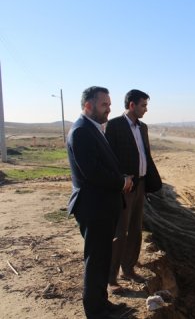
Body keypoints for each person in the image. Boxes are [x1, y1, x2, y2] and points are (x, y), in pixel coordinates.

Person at [67, 86, 133, 319]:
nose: (109, 108)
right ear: (88, 106)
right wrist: (121, 182)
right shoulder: (81, 132)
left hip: (103, 206)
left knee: (103, 258)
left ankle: (103, 304)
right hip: (93, 207)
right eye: (104, 104)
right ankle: (95, 312)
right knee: (95, 261)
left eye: (109, 103)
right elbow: (93, 173)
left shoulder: (94, 129)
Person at [105, 89, 160, 293]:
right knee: (120, 232)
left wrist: (151, 181)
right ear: (131, 105)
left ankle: (129, 269)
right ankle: (111, 279)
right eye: (143, 105)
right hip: (125, 187)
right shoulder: (115, 126)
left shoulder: (142, 127)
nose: (146, 109)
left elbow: (146, 155)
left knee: (136, 230)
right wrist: (120, 180)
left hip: (141, 185)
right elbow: (109, 157)